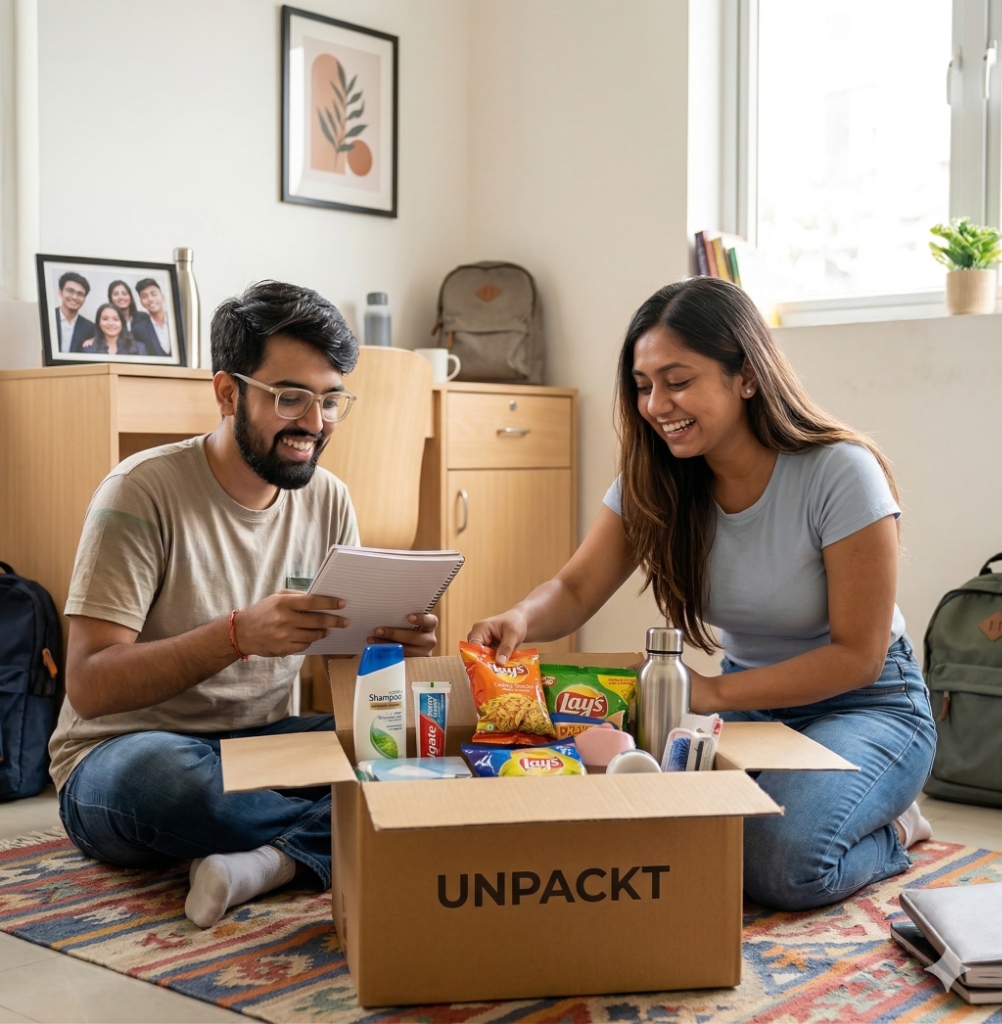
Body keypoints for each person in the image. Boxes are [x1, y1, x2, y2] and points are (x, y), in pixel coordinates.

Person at [469, 277, 937, 913]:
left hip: (869, 703)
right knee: (654, 828)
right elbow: (576, 587)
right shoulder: (656, 479)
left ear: (744, 376)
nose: (657, 404)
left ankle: (897, 826)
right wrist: (520, 616)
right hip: (754, 702)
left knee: (780, 863)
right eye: (643, 385)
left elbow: (858, 655)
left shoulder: (839, 471)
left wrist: (708, 692)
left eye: (678, 379)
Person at [51, 280, 438, 929]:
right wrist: (234, 635)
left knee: (418, 756)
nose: (315, 424)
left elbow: (342, 669)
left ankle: (264, 863)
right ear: (228, 392)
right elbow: (88, 687)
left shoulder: (329, 499)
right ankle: (334, 836)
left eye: (331, 400)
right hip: (126, 756)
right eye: (291, 398)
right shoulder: (141, 493)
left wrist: (384, 646)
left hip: (260, 750)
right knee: (172, 783)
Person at [107, 279, 162, 356]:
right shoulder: (108, 323)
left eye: (124, 293)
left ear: (130, 296)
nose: (121, 297)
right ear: (110, 298)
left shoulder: (144, 317)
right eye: (116, 294)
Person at [54, 271, 95, 353]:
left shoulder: (90, 328)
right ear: (60, 292)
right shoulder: (48, 318)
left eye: (80, 294)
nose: (74, 297)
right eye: (70, 291)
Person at [135, 277, 171, 357]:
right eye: (144, 296)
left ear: (163, 297)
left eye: (154, 294)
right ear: (141, 302)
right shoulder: (139, 330)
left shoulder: (179, 322)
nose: (150, 299)